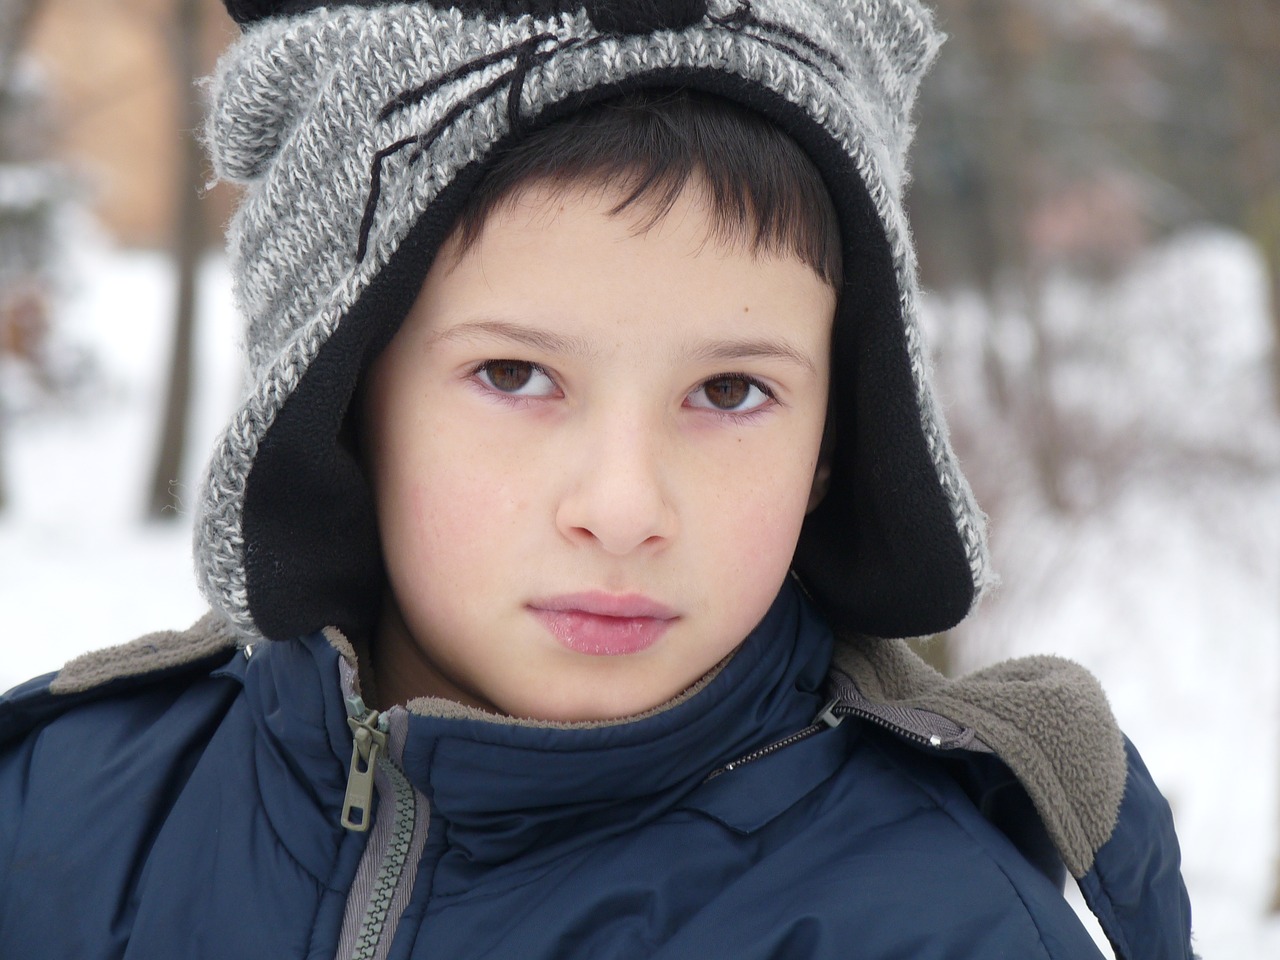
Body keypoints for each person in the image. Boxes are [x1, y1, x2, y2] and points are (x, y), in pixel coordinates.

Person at [0, 1, 1195, 957]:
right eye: (515, 375)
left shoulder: (942, 924)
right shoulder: (58, 823)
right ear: (341, 396)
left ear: (835, 441)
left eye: (729, 393)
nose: (622, 508)